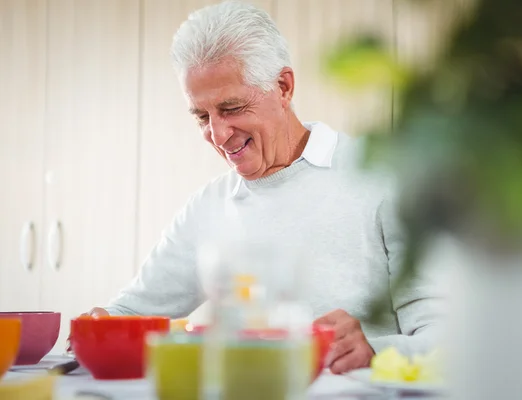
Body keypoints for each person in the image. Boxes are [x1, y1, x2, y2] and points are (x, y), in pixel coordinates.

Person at [83, 0, 444, 374]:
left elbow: (450, 340)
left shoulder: (383, 178)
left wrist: (374, 349)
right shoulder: (209, 206)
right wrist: (98, 324)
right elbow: (129, 315)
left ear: (283, 87)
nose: (218, 135)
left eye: (232, 108)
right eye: (202, 116)